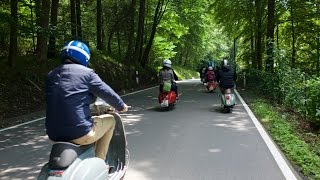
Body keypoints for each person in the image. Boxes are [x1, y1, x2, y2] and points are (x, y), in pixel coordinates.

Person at [45, 40, 128, 160]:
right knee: (110, 121)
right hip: (79, 133)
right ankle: (100, 162)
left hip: (53, 135)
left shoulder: (51, 75)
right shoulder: (87, 74)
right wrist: (121, 106)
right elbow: (107, 93)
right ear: (85, 57)